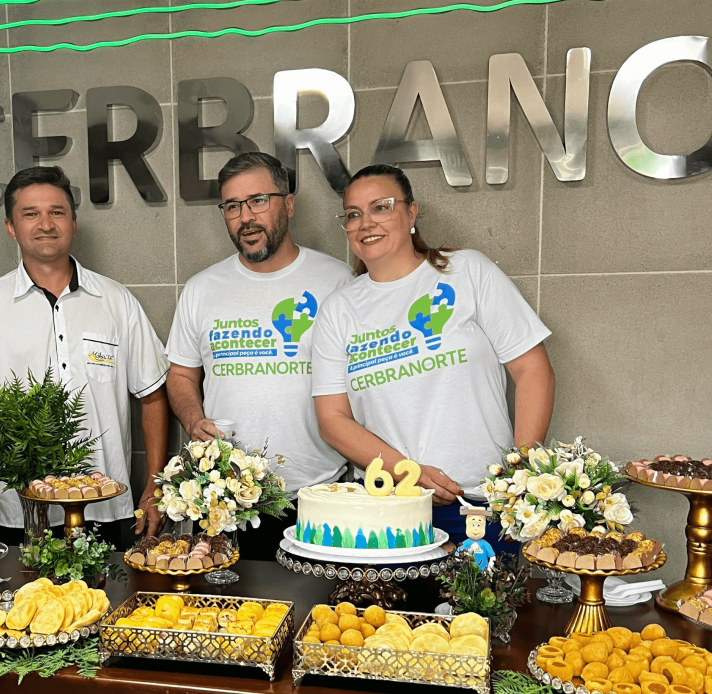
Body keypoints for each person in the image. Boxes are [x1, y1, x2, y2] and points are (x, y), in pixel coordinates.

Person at [311, 163, 555, 553]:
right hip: (388, 510)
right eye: (353, 214)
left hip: (480, 506)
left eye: (381, 207)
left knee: (486, 595)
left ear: (411, 213)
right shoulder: (338, 309)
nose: (365, 223)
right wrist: (409, 472)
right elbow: (332, 419)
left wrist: (520, 477)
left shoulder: (467, 271)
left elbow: (532, 369)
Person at [0, 165, 169, 546]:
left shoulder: (116, 301)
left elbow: (153, 395)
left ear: (73, 223)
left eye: (57, 212)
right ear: (10, 227)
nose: (45, 224)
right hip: (23, 511)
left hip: (106, 507)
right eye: (30, 214)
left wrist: (155, 487)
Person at [165, 152, 353, 560]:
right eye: (232, 206)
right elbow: (180, 375)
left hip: (320, 496)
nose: (245, 217)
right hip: (224, 502)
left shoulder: (337, 281)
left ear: (289, 204)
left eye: (258, 201)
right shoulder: (201, 288)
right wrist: (193, 420)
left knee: (319, 603)